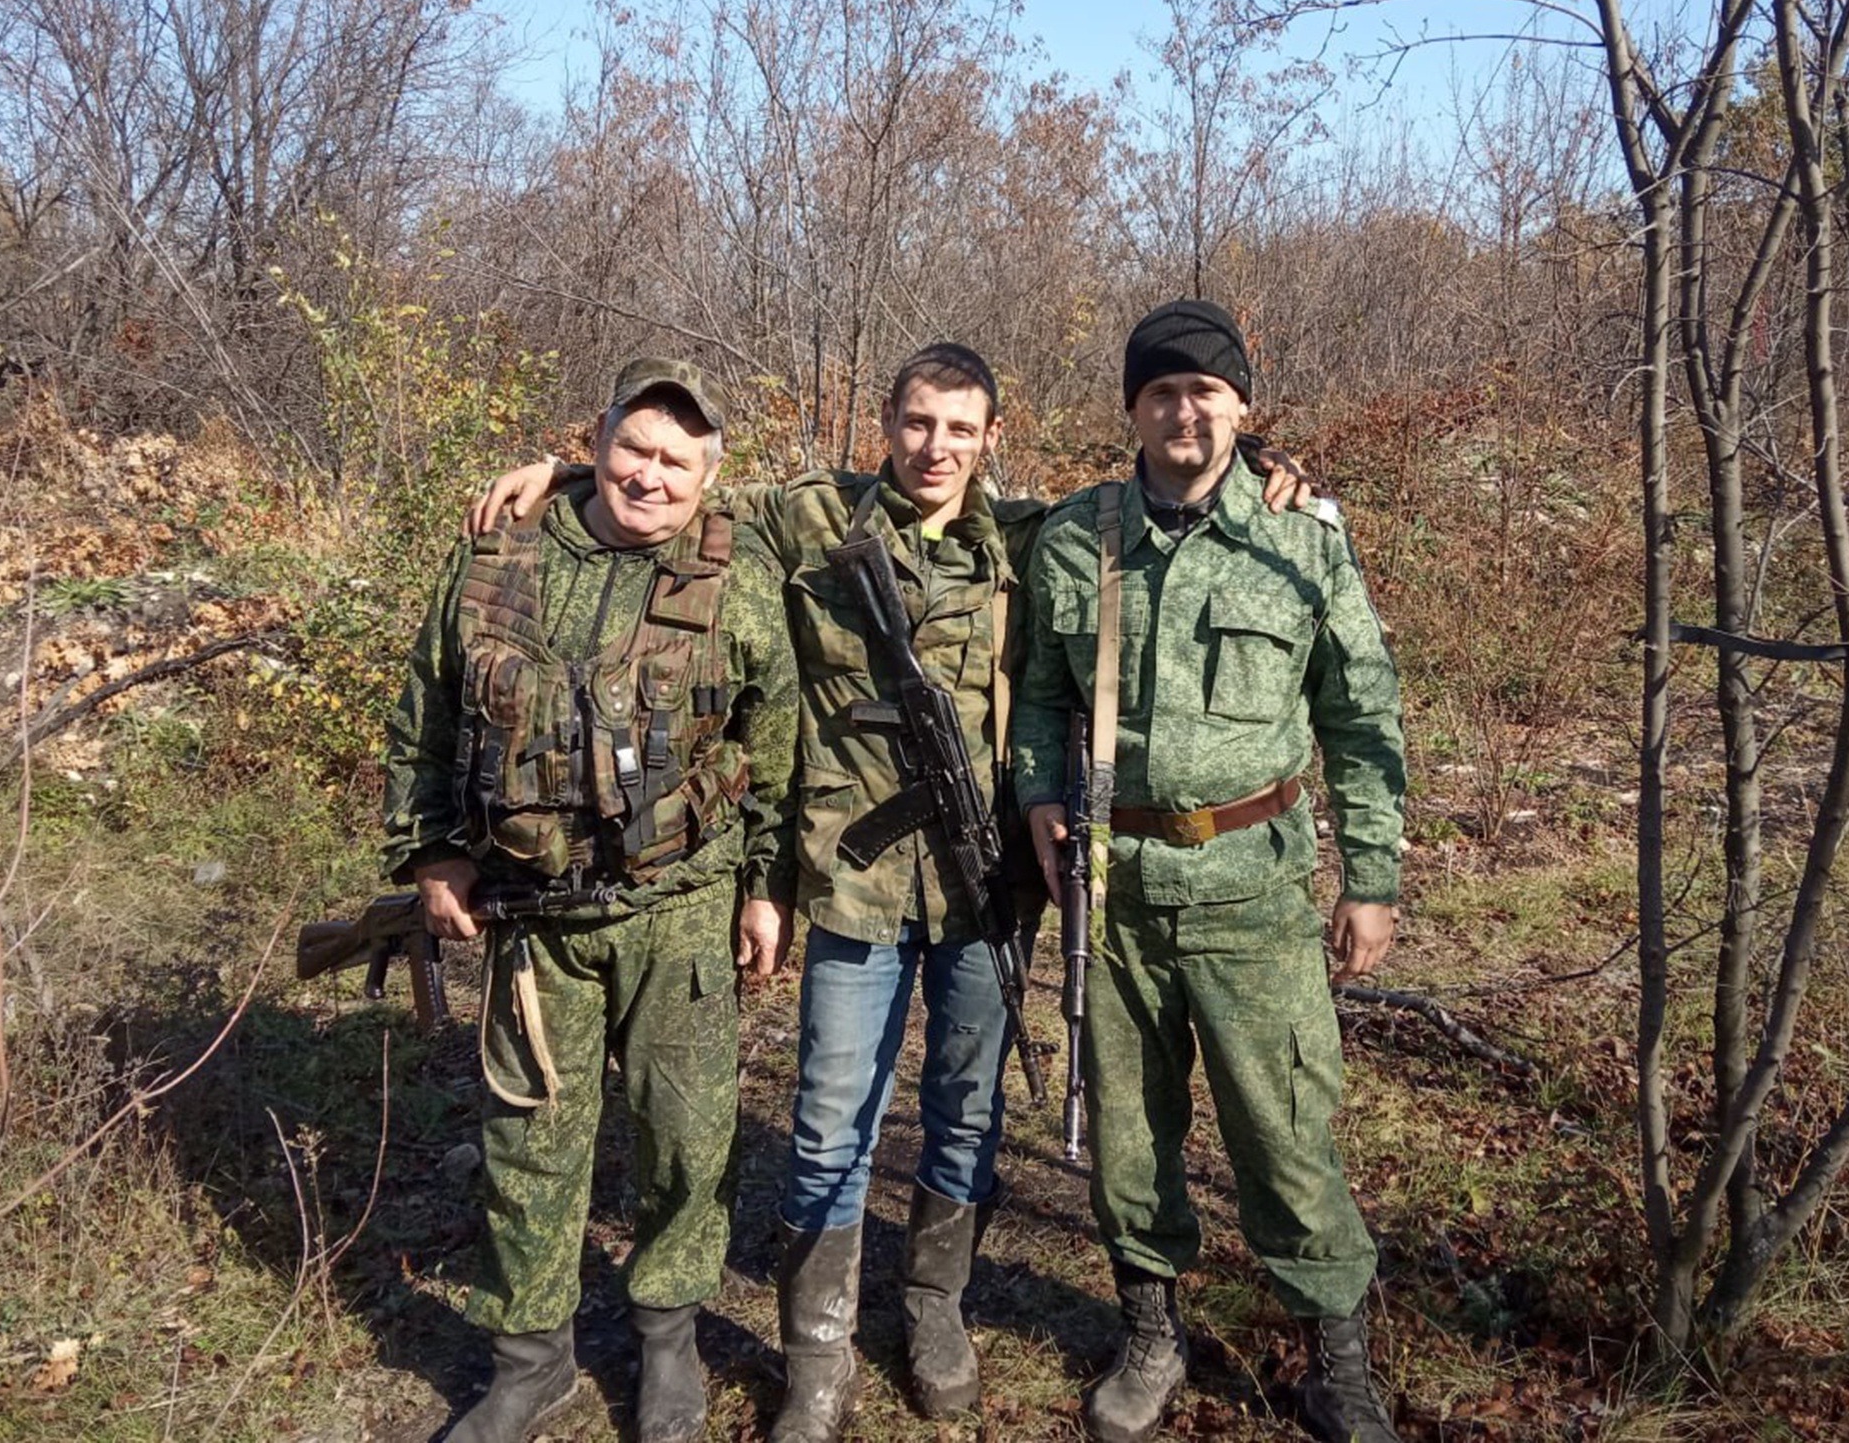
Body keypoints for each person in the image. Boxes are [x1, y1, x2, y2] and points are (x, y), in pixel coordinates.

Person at [465, 343, 1318, 1440]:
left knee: (962, 1110)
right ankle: (817, 1351)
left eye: (960, 429)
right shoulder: (809, 519)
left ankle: (932, 1310)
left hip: (985, 889)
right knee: (829, 1121)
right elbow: (674, 489)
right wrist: (565, 473)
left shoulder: (1031, 537)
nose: (935, 448)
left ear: (990, 439)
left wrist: (1271, 464)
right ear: (888, 422)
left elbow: (1158, 500)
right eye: (918, 423)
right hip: (854, 880)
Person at [1013, 299, 1408, 1443]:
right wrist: (1041, 792)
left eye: (1205, 391)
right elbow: (1041, 689)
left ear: (1241, 404)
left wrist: (1369, 878)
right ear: (1132, 410)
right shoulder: (1077, 539)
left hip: (1255, 889)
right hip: (1115, 891)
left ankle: (1335, 1360)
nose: (1183, 412)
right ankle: (1149, 1331)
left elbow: (1362, 714)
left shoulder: (1303, 542)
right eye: (1159, 393)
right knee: (1129, 1139)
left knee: (1284, 1134)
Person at [383, 358, 798, 1443]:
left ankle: (667, 1340)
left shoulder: (740, 569)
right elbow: (425, 714)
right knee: (529, 1142)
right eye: (632, 450)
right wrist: (433, 856)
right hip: (533, 922)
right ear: (596, 440)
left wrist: (765, 889)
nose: (649, 477)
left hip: (681, 910)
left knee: (685, 1138)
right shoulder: (496, 551)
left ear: (709, 476)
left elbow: (777, 747)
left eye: (675, 461)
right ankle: (530, 1361)